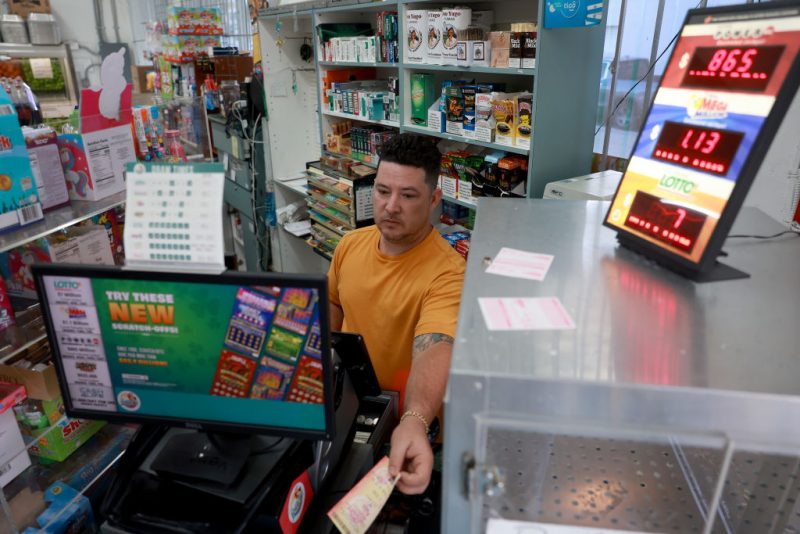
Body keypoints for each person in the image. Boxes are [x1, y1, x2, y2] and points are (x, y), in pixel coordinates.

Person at [327, 134, 465, 495]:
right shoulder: (350, 245)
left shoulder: (448, 272)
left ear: (434, 199)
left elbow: (436, 344)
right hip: (349, 414)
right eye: (383, 191)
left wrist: (416, 419)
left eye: (408, 195)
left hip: (406, 431)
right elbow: (334, 302)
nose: (391, 206)